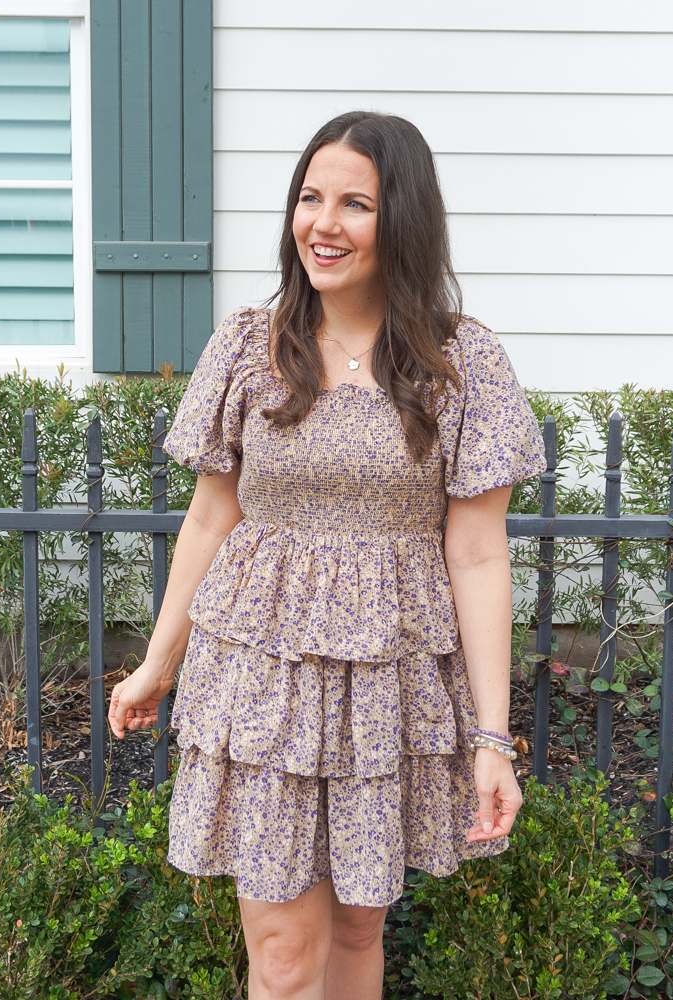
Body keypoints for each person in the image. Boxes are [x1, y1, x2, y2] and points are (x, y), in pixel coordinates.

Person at [108, 110, 546, 1000]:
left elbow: (477, 557)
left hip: (387, 687)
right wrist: (158, 661)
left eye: (355, 203)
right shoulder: (249, 347)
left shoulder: (463, 366)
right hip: (262, 679)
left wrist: (491, 737)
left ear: (405, 221)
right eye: (310, 198)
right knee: (281, 954)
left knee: (355, 932)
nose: (323, 223)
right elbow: (207, 519)